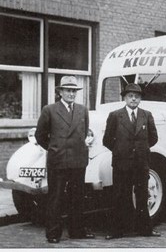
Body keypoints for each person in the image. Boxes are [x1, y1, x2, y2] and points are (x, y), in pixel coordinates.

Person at [35, 76, 95, 244]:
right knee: (56, 198)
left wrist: (74, 148)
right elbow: (40, 135)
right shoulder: (49, 110)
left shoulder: (83, 110)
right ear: (60, 92)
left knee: (77, 197)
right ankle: (53, 233)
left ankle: (77, 231)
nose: (71, 93)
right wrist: (55, 148)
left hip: (77, 160)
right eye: (67, 90)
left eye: (74, 91)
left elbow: (83, 134)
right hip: (58, 160)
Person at [103, 83, 160, 239]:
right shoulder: (115, 115)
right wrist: (121, 150)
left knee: (142, 195)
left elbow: (153, 138)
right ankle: (117, 230)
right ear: (125, 98)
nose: (133, 99)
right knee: (120, 196)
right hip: (122, 163)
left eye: (136, 96)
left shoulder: (146, 115)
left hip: (141, 163)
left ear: (140, 99)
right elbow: (107, 140)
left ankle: (145, 229)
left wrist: (140, 150)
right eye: (130, 96)